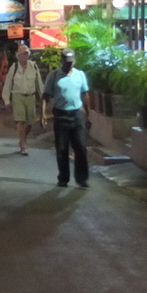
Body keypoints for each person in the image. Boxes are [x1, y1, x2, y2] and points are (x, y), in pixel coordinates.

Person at [44, 48, 90, 188]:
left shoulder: (80, 75)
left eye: (71, 62)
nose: (69, 64)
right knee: (62, 149)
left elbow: (85, 94)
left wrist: (89, 113)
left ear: (74, 61)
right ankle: (63, 178)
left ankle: (82, 178)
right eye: (66, 62)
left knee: (81, 147)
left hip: (76, 115)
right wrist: (43, 115)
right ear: (62, 61)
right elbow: (46, 96)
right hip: (61, 115)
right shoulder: (54, 75)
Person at [3, 44, 43, 155]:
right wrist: (7, 101)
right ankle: (24, 146)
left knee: (30, 122)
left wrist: (43, 98)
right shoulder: (14, 67)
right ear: (18, 55)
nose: (25, 55)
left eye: (27, 53)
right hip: (18, 96)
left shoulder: (33, 66)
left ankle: (22, 139)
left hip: (31, 96)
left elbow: (39, 83)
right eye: (23, 53)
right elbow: (7, 85)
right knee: (20, 121)